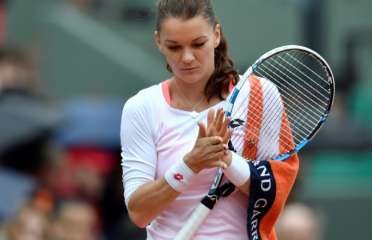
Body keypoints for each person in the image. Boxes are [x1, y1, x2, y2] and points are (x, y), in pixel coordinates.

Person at [120, 0, 299, 239]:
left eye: (198, 44)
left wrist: (226, 159)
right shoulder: (141, 108)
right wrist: (191, 164)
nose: (187, 58)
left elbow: (275, 193)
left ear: (216, 35)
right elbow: (139, 213)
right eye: (174, 47)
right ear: (158, 42)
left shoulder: (259, 95)